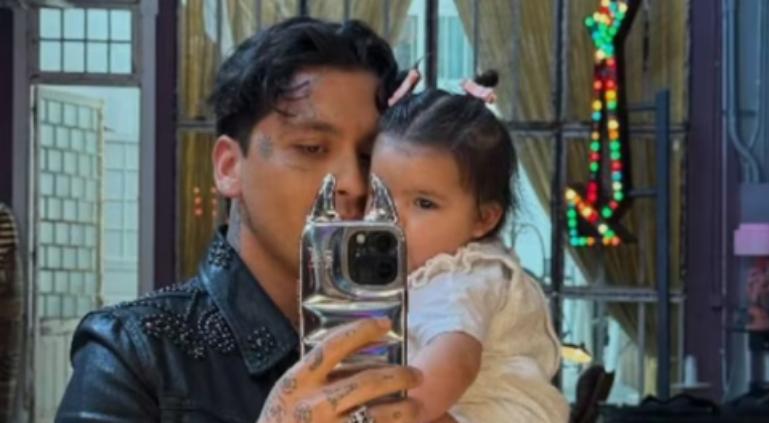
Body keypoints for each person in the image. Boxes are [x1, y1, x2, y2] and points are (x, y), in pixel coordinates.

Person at [56, 17, 424, 423]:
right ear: (229, 167)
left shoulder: (430, 338)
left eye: (370, 156)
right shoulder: (132, 353)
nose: (354, 183)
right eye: (312, 147)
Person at [371, 72, 570, 422]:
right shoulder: (420, 269)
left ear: (484, 219)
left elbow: (456, 359)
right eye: (379, 194)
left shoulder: (460, 277)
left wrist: (384, 417)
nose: (391, 218)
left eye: (424, 203)